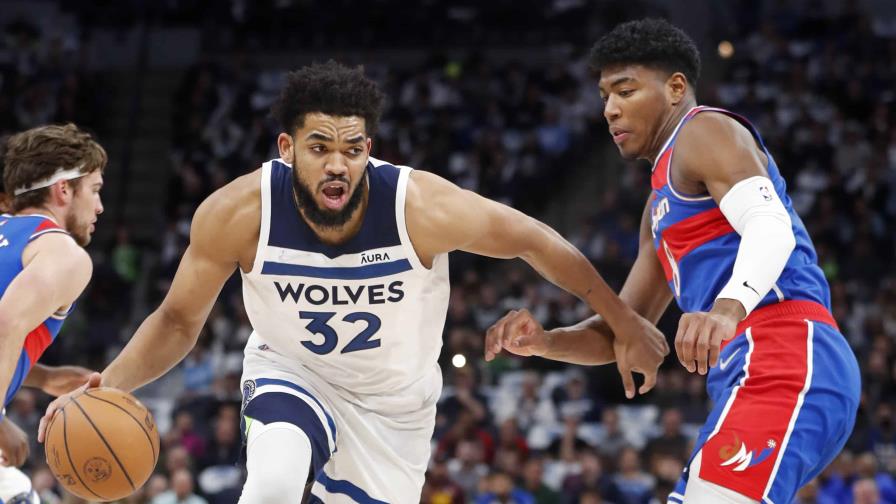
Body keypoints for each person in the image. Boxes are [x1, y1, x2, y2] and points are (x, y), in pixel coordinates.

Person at [40, 61, 667, 503]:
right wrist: (103, 390)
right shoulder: (238, 212)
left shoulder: (418, 206)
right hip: (293, 372)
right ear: (287, 148)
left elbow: (537, 241)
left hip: (395, 407)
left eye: (353, 148)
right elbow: (178, 320)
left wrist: (625, 323)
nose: (338, 164)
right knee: (272, 487)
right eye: (319, 148)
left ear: (370, 147)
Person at [485, 19, 861, 504]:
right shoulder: (658, 207)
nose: (610, 109)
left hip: (787, 351)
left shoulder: (703, 130)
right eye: (604, 96)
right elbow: (623, 331)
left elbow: (770, 226)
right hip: (746, 369)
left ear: (675, 88)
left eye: (626, 91)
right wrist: (545, 342)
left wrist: (725, 310)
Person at [0, 123, 107, 501]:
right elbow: (5, 323)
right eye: (94, 190)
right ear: (64, 189)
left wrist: (41, 376)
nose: (99, 207)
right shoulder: (61, 252)